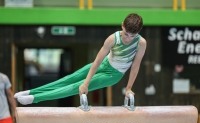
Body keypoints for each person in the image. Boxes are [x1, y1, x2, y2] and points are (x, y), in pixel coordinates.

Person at [14, 13, 147, 105]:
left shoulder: (140, 43)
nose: (128, 38)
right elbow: (97, 61)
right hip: (104, 64)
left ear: (138, 32)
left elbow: (135, 66)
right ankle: (31, 91)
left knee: (75, 87)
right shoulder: (113, 39)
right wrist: (86, 82)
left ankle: (35, 98)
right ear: (122, 25)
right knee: (70, 79)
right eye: (126, 34)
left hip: (114, 75)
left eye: (132, 36)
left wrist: (129, 88)